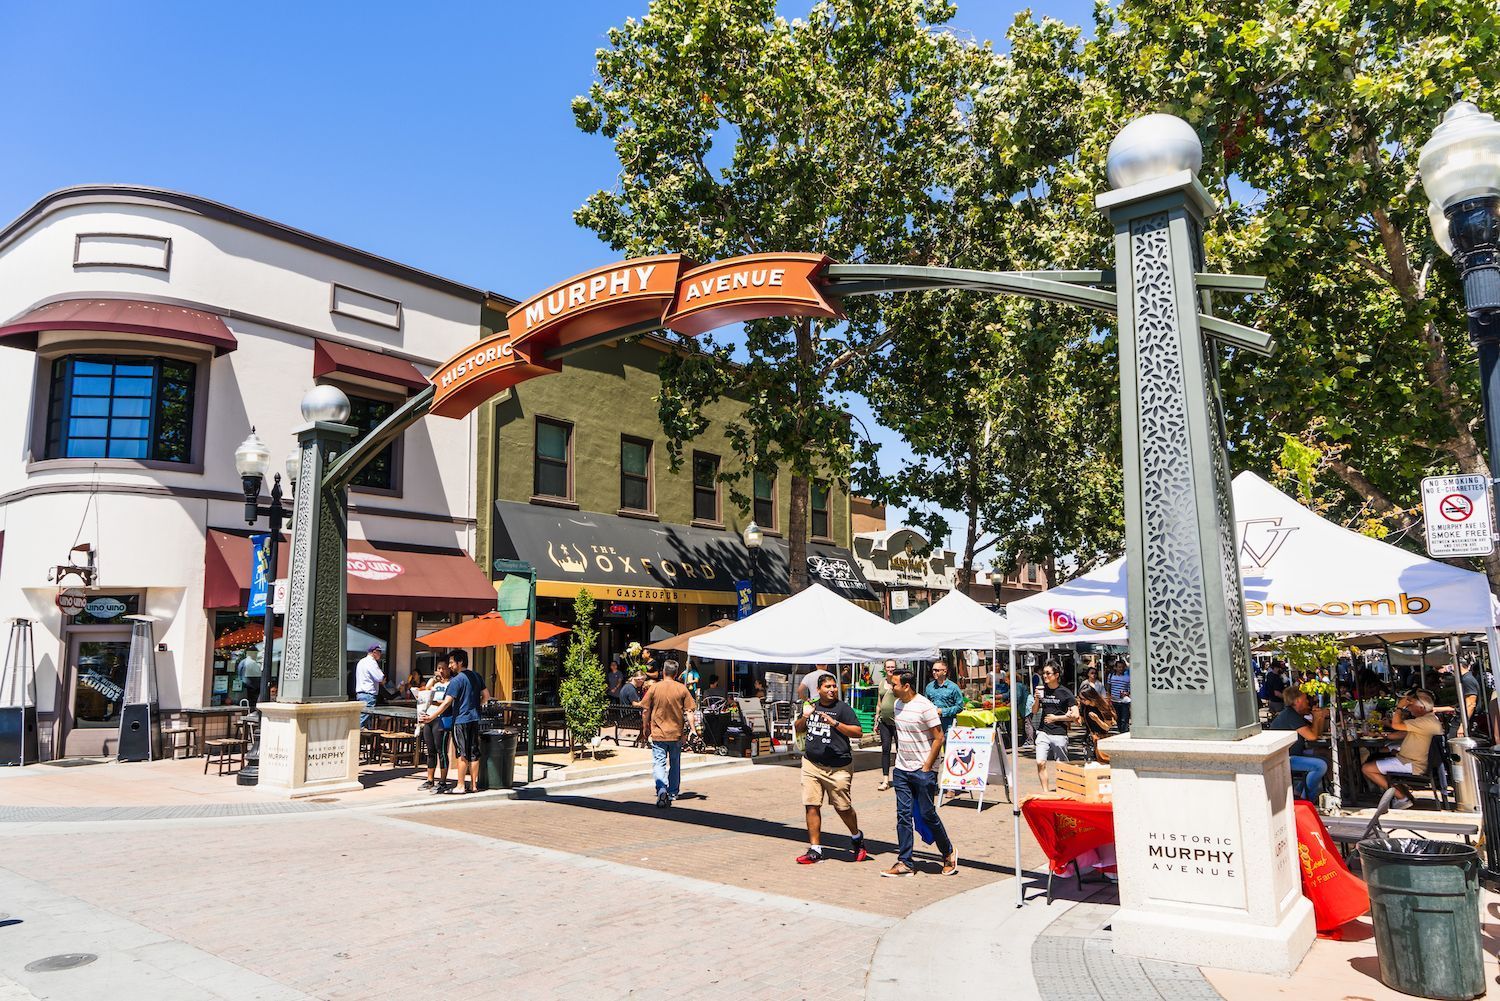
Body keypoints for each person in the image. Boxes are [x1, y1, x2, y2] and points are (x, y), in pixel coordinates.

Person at [882, 668, 957, 878]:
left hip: (923, 770)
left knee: (927, 814)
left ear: (906, 686)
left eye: (894, 684)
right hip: (902, 770)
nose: (891, 687)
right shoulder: (897, 705)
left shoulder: (925, 706)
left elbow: (939, 738)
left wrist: (926, 767)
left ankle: (948, 852)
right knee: (903, 816)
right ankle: (905, 861)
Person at [793, 673, 868, 864]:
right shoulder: (812, 706)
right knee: (811, 804)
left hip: (838, 768)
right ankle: (815, 849)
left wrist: (834, 723)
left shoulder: (843, 709)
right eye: (827, 687)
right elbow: (799, 728)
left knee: (842, 807)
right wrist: (805, 716)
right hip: (812, 764)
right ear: (818, 690)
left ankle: (856, 837)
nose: (832, 689)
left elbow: (858, 732)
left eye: (834, 686)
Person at [1361, 691, 1454, 809]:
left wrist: (1399, 707)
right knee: (1382, 755)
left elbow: (1396, 725)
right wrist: (1387, 737)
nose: (1409, 709)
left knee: (1367, 768)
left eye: (1411, 705)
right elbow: (1404, 732)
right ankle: (1406, 795)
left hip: (1414, 764)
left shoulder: (1424, 721)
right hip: (1416, 760)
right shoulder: (1428, 719)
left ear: (1421, 707)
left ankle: (1402, 798)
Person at [420, 650, 488, 794]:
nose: (450, 666)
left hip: (461, 719)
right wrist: (476, 706)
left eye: (451, 662)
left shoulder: (457, 680)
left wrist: (432, 717)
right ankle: (474, 786)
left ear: (460, 662)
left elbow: (447, 703)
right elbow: (486, 696)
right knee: (474, 752)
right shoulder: (476, 676)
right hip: (474, 718)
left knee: (462, 752)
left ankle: (461, 785)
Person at [640, 659, 698, 808]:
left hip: (658, 732)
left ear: (663, 672)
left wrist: (645, 727)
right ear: (677, 673)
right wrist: (693, 730)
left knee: (659, 763)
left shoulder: (654, 688)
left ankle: (661, 789)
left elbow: (645, 709)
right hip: (676, 733)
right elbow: (689, 711)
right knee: (675, 763)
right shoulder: (682, 689)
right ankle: (672, 792)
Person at [1269, 684, 1329, 801]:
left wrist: (1320, 717)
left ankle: (1298, 789)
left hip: (1295, 753)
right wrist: (1316, 718)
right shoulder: (1290, 715)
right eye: (1305, 699)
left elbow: (1317, 733)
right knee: (1320, 766)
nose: (1308, 702)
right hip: (1285, 758)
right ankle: (1306, 799)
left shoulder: (1296, 715)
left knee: (1325, 755)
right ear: (1297, 701)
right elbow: (1312, 736)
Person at [1034, 664, 1077, 791]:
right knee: (1040, 762)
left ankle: (1063, 791)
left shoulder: (1066, 693)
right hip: (1043, 731)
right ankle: (1046, 792)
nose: (1045, 676)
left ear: (1056, 675)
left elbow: (1075, 716)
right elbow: (1035, 711)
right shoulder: (1042, 690)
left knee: (1061, 765)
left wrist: (1056, 718)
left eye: (1048, 673)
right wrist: (1036, 699)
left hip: (1059, 733)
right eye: (1044, 673)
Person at [417, 661, 453, 793]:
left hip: (441, 718)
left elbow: (449, 702)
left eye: (443, 668)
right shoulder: (435, 684)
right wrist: (432, 680)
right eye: (439, 668)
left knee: (441, 750)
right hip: (429, 717)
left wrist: (437, 702)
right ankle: (430, 779)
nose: (441, 671)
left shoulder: (451, 683)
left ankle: (443, 780)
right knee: (430, 750)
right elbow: (425, 692)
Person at [875, 660, 899, 792]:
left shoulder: (899, 682)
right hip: (884, 721)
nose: (890, 669)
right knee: (885, 749)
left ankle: (900, 777)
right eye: (888, 667)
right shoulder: (882, 683)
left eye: (893, 667)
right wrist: (876, 718)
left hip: (898, 722)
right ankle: (885, 780)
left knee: (900, 749)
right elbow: (879, 702)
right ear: (885, 669)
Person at [1077, 686, 1116, 764]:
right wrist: (1074, 718)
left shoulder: (1103, 707)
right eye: (1080, 699)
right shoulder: (1084, 707)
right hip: (1089, 739)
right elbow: (1080, 722)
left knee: (1103, 763)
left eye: (1083, 699)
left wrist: (1097, 719)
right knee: (1090, 764)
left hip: (1101, 739)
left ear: (1090, 697)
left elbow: (1107, 728)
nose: (1082, 701)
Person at [924, 660, 965, 732]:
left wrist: (943, 711)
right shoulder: (929, 687)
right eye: (933, 670)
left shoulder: (953, 687)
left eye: (937, 670)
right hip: (933, 724)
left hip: (949, 725)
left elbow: (959, 707)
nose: (934, 672)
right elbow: (925, 704)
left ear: (944, 672)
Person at [354, 644, 385, 728]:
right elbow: (380, 677)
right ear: (374, 652)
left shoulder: (362, 661)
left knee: (364, 720)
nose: (380, 654)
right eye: (379, 652)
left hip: (361, 694)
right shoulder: (371, 662)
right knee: (363, 721)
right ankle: (356, 739)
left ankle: (361, 740)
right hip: (368, 694)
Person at [1107, 660, 1131, 732]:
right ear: (1115, 668)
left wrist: (1127, 693)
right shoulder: (1111, 676)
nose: (1121, 669)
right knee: (1118, 718)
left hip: (1124, 701)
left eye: (1122, 667)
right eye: (1119, 667)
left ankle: (1124, 731)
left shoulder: (1128, 677)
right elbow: (1108, 687)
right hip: (1114, 700)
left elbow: (1130, 689)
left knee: (1125, 718)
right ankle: (1121, 731)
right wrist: (1109, 697)